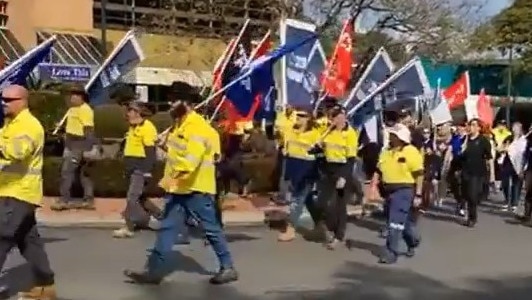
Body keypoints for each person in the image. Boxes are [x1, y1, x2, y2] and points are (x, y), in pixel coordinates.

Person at [124, 86, 238, 285]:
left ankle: (228, 267)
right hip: (179, 188)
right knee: (167, 229)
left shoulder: (198, 129)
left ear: (187, 104)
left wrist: (169, 179)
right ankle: (153, 272)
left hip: (196, 189)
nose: (170, 104)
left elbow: (190, 162)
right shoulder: (179, 126)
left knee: (211, 229)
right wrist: (164, 145)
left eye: (174, 100)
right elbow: (177, 152)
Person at [0, 85, 56, 299]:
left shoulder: (30, 125)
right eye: (2, 99)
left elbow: (18, 152)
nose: (4, 102)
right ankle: (45, 286)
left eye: (8, 99)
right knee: (28, 241)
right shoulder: (11, 124)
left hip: (19, 192)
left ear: (22, 101)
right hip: (9, 190)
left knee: (1, 237)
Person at [370, 123, 423, 264]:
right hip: (388, 191)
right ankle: (413, 240)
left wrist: (418, 194)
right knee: (399, 221)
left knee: (394, 223)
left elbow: (419, 174)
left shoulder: (411, 151)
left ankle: (391, 252)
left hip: (404, 190)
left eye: (394, 135)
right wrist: (373, 187)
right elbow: (378, 170)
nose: (391, 137)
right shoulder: (386, 151)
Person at [113, 101, 162, 238]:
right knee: (140, 198)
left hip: (140, 168)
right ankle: (162, 218)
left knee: (132, 198)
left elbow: (150, 152)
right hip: (131, 167)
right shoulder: (132, 127)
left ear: (138, 113)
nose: (127, 114)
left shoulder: (147, 128)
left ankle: (130, 226)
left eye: (130, 111)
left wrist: (147, 171)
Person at [314, 104, 358, 250]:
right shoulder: (328, 131)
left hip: (342, 171)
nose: (333, 119)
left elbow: (351, 159)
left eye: (336, 116)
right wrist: (317, 146)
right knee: (325, 203)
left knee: (339, 205)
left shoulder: (350, 133)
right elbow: (318, 150)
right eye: (331, 116)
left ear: (343, 117)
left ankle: (339, 235)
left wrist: (344, 177)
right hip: (328, 170)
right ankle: (329, 228)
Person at [278, 109, 321, 242]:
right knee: (307, 200)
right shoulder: (290, 131)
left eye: (303, 116)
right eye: (298, 115)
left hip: (306, 171)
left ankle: (290, 230)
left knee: (297, 200)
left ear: (309, 119)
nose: (299, 118)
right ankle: (322, 225)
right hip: (294, 169)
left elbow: (319, 154)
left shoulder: (315, 134)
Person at [52, 85, 96, 211]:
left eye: (75, 95)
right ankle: (88, 200)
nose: (72, 97)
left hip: (78, 145)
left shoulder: (85, 110)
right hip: (70, 143)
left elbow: (88, 130)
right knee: (83, 174)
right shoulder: (72, 110)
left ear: (82, 97)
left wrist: (87, 149)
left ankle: (64, 200)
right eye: (71, 94)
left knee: (67, 172)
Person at [460, 119, 495, 227]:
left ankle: (472, 218)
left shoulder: (483, 140)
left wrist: (492, 174)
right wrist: (464, 142)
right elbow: (461, 155)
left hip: (477, 172)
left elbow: (489, 158)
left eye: (474, 125)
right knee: (466, 194)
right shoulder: (466, 140)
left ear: (479, 128)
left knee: (472, 195)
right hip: (466, 171)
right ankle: (470, 215)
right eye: (470, 125)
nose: (471, 127)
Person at [448, 123, 467, 216]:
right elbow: (450, 148)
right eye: (458, 127)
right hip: (454, 163)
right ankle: (458, 201)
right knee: (453, 185)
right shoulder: (455, 138)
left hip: (463, 164)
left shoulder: (466, 139)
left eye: (461, 127)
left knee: (461, 185)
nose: (459, 128)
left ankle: (462, 206)